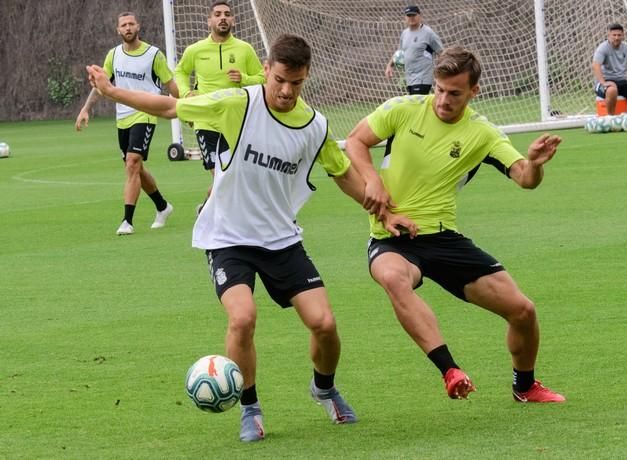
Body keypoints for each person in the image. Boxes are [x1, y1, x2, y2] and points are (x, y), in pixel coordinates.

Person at [86, 34, 416, 442]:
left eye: (295, 83)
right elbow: (171, 105)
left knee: (325, 324)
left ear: (306, 77)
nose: (285, 90)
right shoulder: (238, 103)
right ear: (267, 68)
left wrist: (386, 212)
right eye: (279, 80)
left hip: (281, 239)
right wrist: (111, 90)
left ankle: (324, 389)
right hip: (227, 236)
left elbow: (344, 173)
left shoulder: (315, 126)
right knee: (242, 318)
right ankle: (250, 407)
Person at [346, 46, 566, 403]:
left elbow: (525, 177)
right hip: (392, 237)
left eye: (455, 93)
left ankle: (525, 387)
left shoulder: (483, 133)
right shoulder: (404, 109)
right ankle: (450, 370)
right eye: (439, 89)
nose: (443, 99)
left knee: (523, 311)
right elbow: (356, 140)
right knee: (392, 278)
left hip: (444, 238)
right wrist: (371, 179)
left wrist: (537, 163)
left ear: (473, 92)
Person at [75, 12, 177, 235]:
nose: (128, 28)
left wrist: (185, 106)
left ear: (138, 26)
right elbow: (101, 86)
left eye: (131, 23)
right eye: (124, 25)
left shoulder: (153, 54)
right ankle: (162, 206)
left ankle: (127, 221)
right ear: (118, 30)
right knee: (136, 168)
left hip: (146, 113)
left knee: (132, 162)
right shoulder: (113, 55)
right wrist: (85, 108)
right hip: (123, 118)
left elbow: (171, 85)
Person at [175, 0, 265, 207]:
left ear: (233, 20)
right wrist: (186, 93)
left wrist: (244, 78)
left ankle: (206, 208)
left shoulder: (245, 49)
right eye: (217, 14)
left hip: (236, 120)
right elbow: (180, 71)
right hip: (206, 121)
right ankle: (222, 219)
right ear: (209, 21)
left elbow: (263, 77)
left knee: (232, 174)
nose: (222, 17)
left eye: (226, 14)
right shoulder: (196, 50)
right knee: (220, 174)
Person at [384, 5, 443, 95]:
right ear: (405, 18)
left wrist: (443, 70)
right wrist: (390, 65)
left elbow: (441, 52)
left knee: (416, 105)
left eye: (414, 15)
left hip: (423, 78)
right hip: (409, 79)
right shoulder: (404, 33)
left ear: (420, 16)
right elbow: (399, 52)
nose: (411, 18)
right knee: (417, 106)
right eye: (409, 15)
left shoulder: (428, 33)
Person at [592, 23, 627, 115]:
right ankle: (611, 119)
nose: (616, 38)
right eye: (614, 35)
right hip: (605, 82)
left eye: (619, 35)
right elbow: (595, 66)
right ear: (608, 35)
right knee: (612, 90)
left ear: (623, 36)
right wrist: (603, 82)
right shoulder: (603, 48)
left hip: (621, 82)